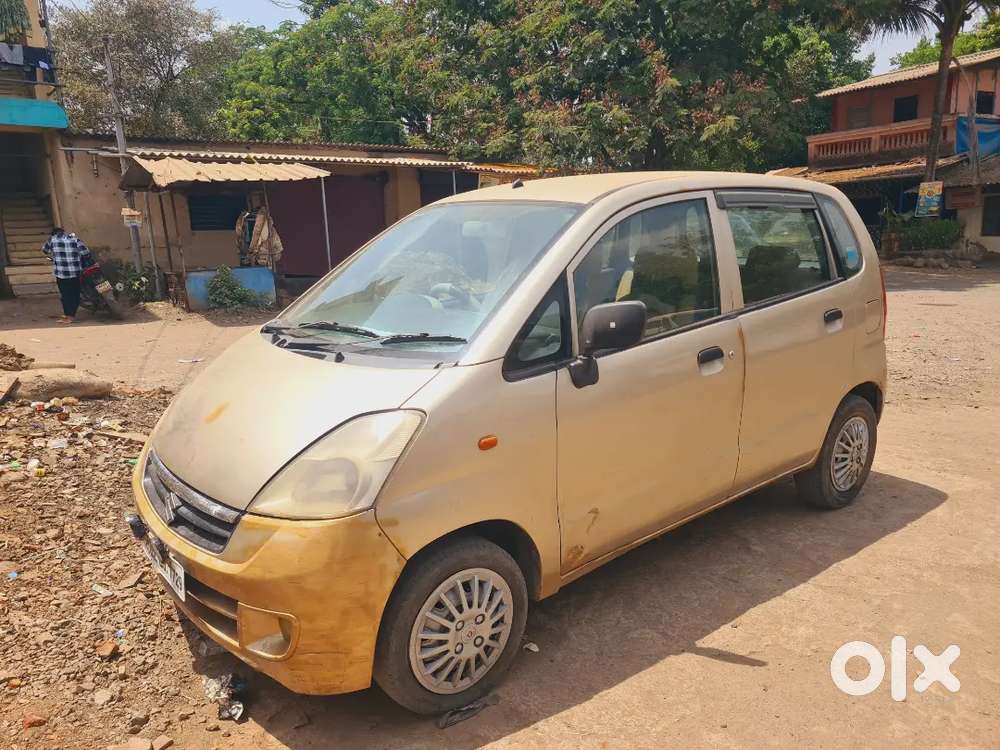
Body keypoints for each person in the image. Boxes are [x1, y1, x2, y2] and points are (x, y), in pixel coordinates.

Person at [42, 227, 92, 324]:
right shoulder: (74, 239)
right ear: (63, 232)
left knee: (65, 295)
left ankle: (69, 316)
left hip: (61, 273)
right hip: (75, 272)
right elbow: (86, 252)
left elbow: (45, 250)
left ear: (54, 234)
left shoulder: (52, 239)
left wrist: (55, 252)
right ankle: (71, 314)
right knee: (75, 294)